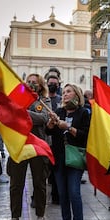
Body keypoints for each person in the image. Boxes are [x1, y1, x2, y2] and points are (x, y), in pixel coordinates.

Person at [5, 73, 51, 220]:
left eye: (35, 83)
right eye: (29, 82)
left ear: (40, 86)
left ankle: (40, 216)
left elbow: (43, 118)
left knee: (39, 183)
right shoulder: (16, 100)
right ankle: (14, 216)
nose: (32, 85)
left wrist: (23, 113)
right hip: (19, 145)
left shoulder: (44, 101)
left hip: (37, 146)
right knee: (16, 183)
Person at [46, 84, 90, 220]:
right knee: (62, 194)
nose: (64, 95)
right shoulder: (59, 112)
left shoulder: (83, 113)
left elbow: (85, 136)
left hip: (75, 159)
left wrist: (69, 128)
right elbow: (49, 132)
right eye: (63, 92)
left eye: (68, 92)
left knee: (74, 193)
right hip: (59, 158)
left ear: (77, 95)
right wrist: (51, 124)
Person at [46, 74, 62, 204]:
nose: (53, 85)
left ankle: (56, 195)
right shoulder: (43, 100)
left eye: (55, 83)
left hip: (56, 141)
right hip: (45, 139)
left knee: (56, 169)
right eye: (50, 83)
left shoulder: (61, 100)